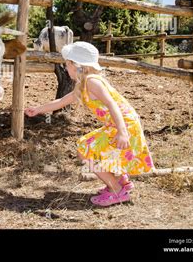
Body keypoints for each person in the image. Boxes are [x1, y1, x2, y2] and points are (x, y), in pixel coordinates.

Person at [25, 41, 154, 206]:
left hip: (124, 124)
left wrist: (122, 131)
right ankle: (122, 182)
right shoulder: (83, 85)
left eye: (67, 64)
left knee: (85, 150)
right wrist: (38, 109)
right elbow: (63, 101)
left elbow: (112, 105)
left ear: (77, 65)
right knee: (99, 150)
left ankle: (116, 190)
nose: (66, 68)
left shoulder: (93, 82)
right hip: (118, 124)